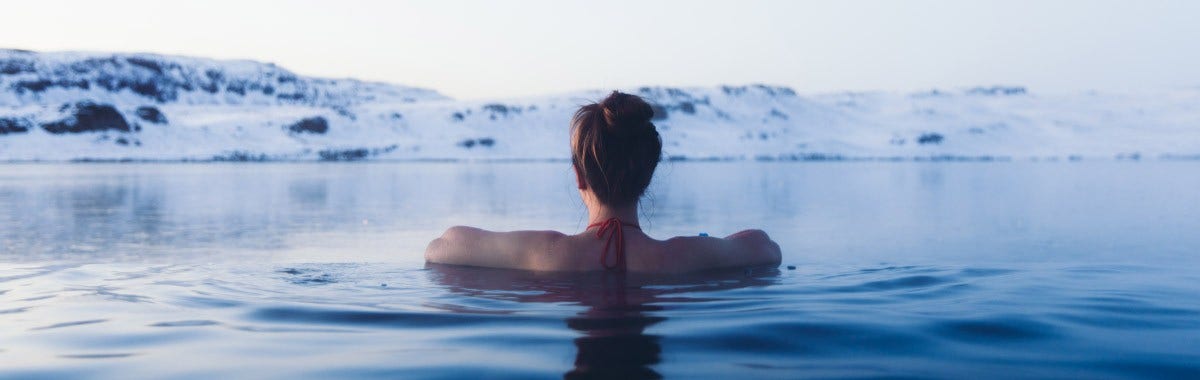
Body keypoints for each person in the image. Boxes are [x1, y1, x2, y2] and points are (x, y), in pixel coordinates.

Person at [425, 91, 781, 272]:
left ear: (579, 176)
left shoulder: (545, 253)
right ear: (648, 174)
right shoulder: (681, 256)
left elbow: (441, 246)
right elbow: (766, 247)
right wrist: (710, 245)